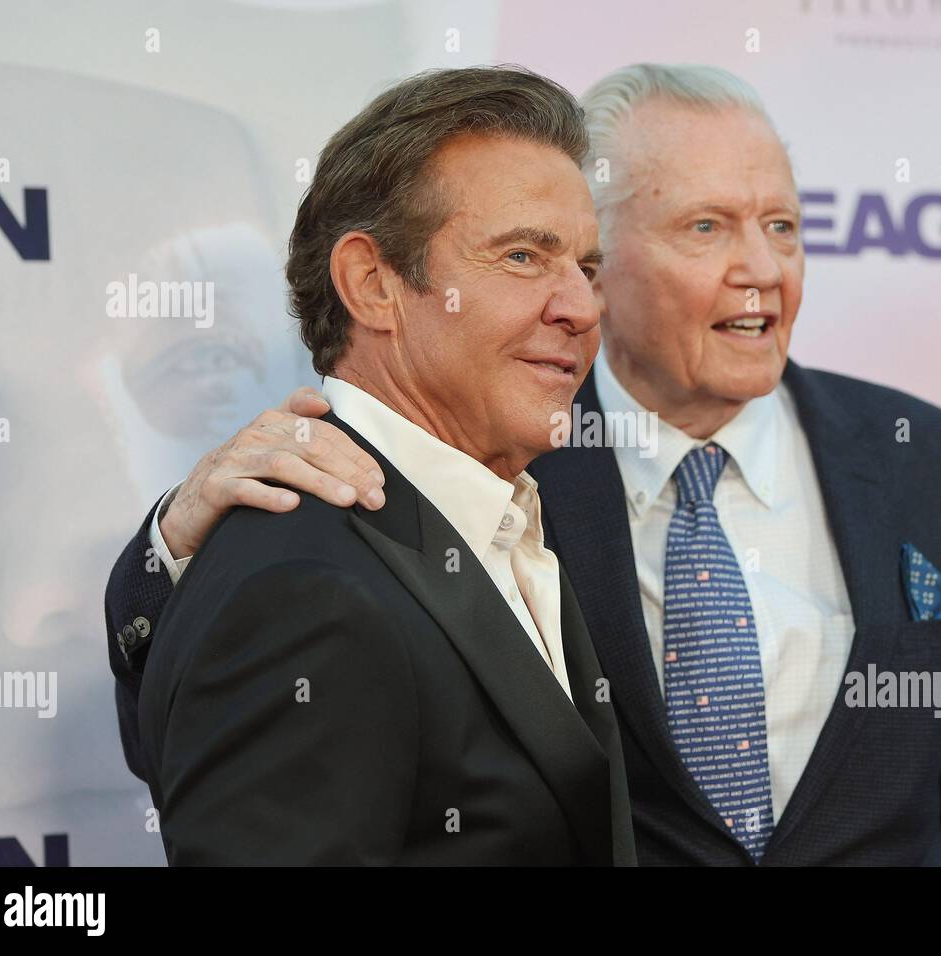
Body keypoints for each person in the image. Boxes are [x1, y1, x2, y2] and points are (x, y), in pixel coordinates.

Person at [108, 63, 941, 866]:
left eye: (786, 227)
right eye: (706, 228)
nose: (761, 267)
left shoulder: (932, 461)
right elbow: (247, 701)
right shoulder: (480, 457)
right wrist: (171, 549)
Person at [123, 65, 635, 865]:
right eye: (525, 257)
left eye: (588, 268)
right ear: (372, 285)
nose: (580, 307)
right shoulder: (303, 592)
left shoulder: (508, 517)